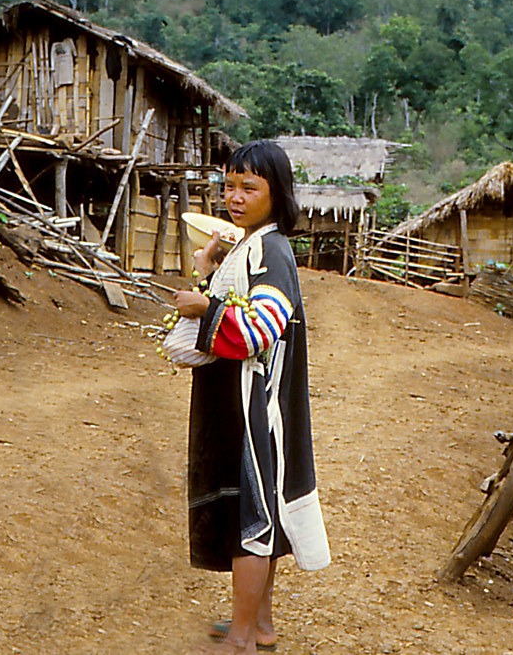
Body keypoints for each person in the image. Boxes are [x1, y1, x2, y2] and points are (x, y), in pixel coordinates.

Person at [173, 140, 330, 654]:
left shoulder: (271, 250)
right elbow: (234, 304)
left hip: (254, 407)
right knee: (254, 514)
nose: (234, 197)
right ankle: (259, 625)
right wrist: (206, 269)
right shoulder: (249, 245)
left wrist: (203, 308)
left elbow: (259, 329)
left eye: (249, 187)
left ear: (275, 193)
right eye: (229, 185)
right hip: (237, 402)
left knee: (252, 522)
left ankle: (240, 639)